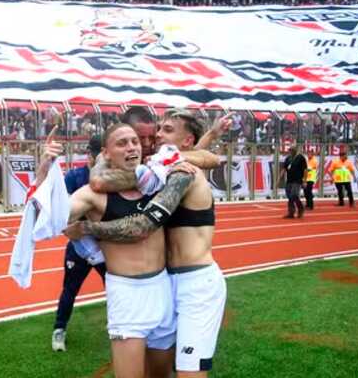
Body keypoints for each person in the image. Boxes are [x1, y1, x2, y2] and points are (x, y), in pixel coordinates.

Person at [74, 108, 231, 378]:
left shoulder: (182, 172)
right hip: (169, 283)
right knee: (162, 369)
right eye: (159, 128)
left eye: (167, 130)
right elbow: (201, 154)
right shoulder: (164, 166)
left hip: (197, 285)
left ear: (185, 142)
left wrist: (88, 227)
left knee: (189, 373)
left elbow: (142, 225)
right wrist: (211, 135)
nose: (157, 134)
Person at [41, 124, 175, 378]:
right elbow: (48, 218)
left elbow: (202, 157)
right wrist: (44, 168)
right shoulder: (92, 194)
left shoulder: (156, 180)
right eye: (122, 143)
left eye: (134, 141)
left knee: (161, 375)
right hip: (126, 294)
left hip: (163, 289)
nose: (132, 147)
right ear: (105, 153)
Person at [51, 135, 107, 352]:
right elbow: (60, 215)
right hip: (78, 248)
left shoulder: (113, 177)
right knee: (70, 290)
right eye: (100, 155)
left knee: (115, 288)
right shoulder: (74, 177)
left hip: (105, 245)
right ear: (91, 155)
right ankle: (59, 329)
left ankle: (119, 324)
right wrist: (69, 231)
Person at [278, 145, 307, 219]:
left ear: (295, 150)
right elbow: (284, 169)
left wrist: (304, 180)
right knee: (289, 196)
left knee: (294, 195)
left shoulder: (301, 158)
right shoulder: (288, 158)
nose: (290, 151)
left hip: (297, 180)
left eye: (292, 150)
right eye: (290, 150)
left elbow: (305, 170)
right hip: (289, 180)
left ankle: (300, 208)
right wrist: (279, 178)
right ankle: (291, 212)